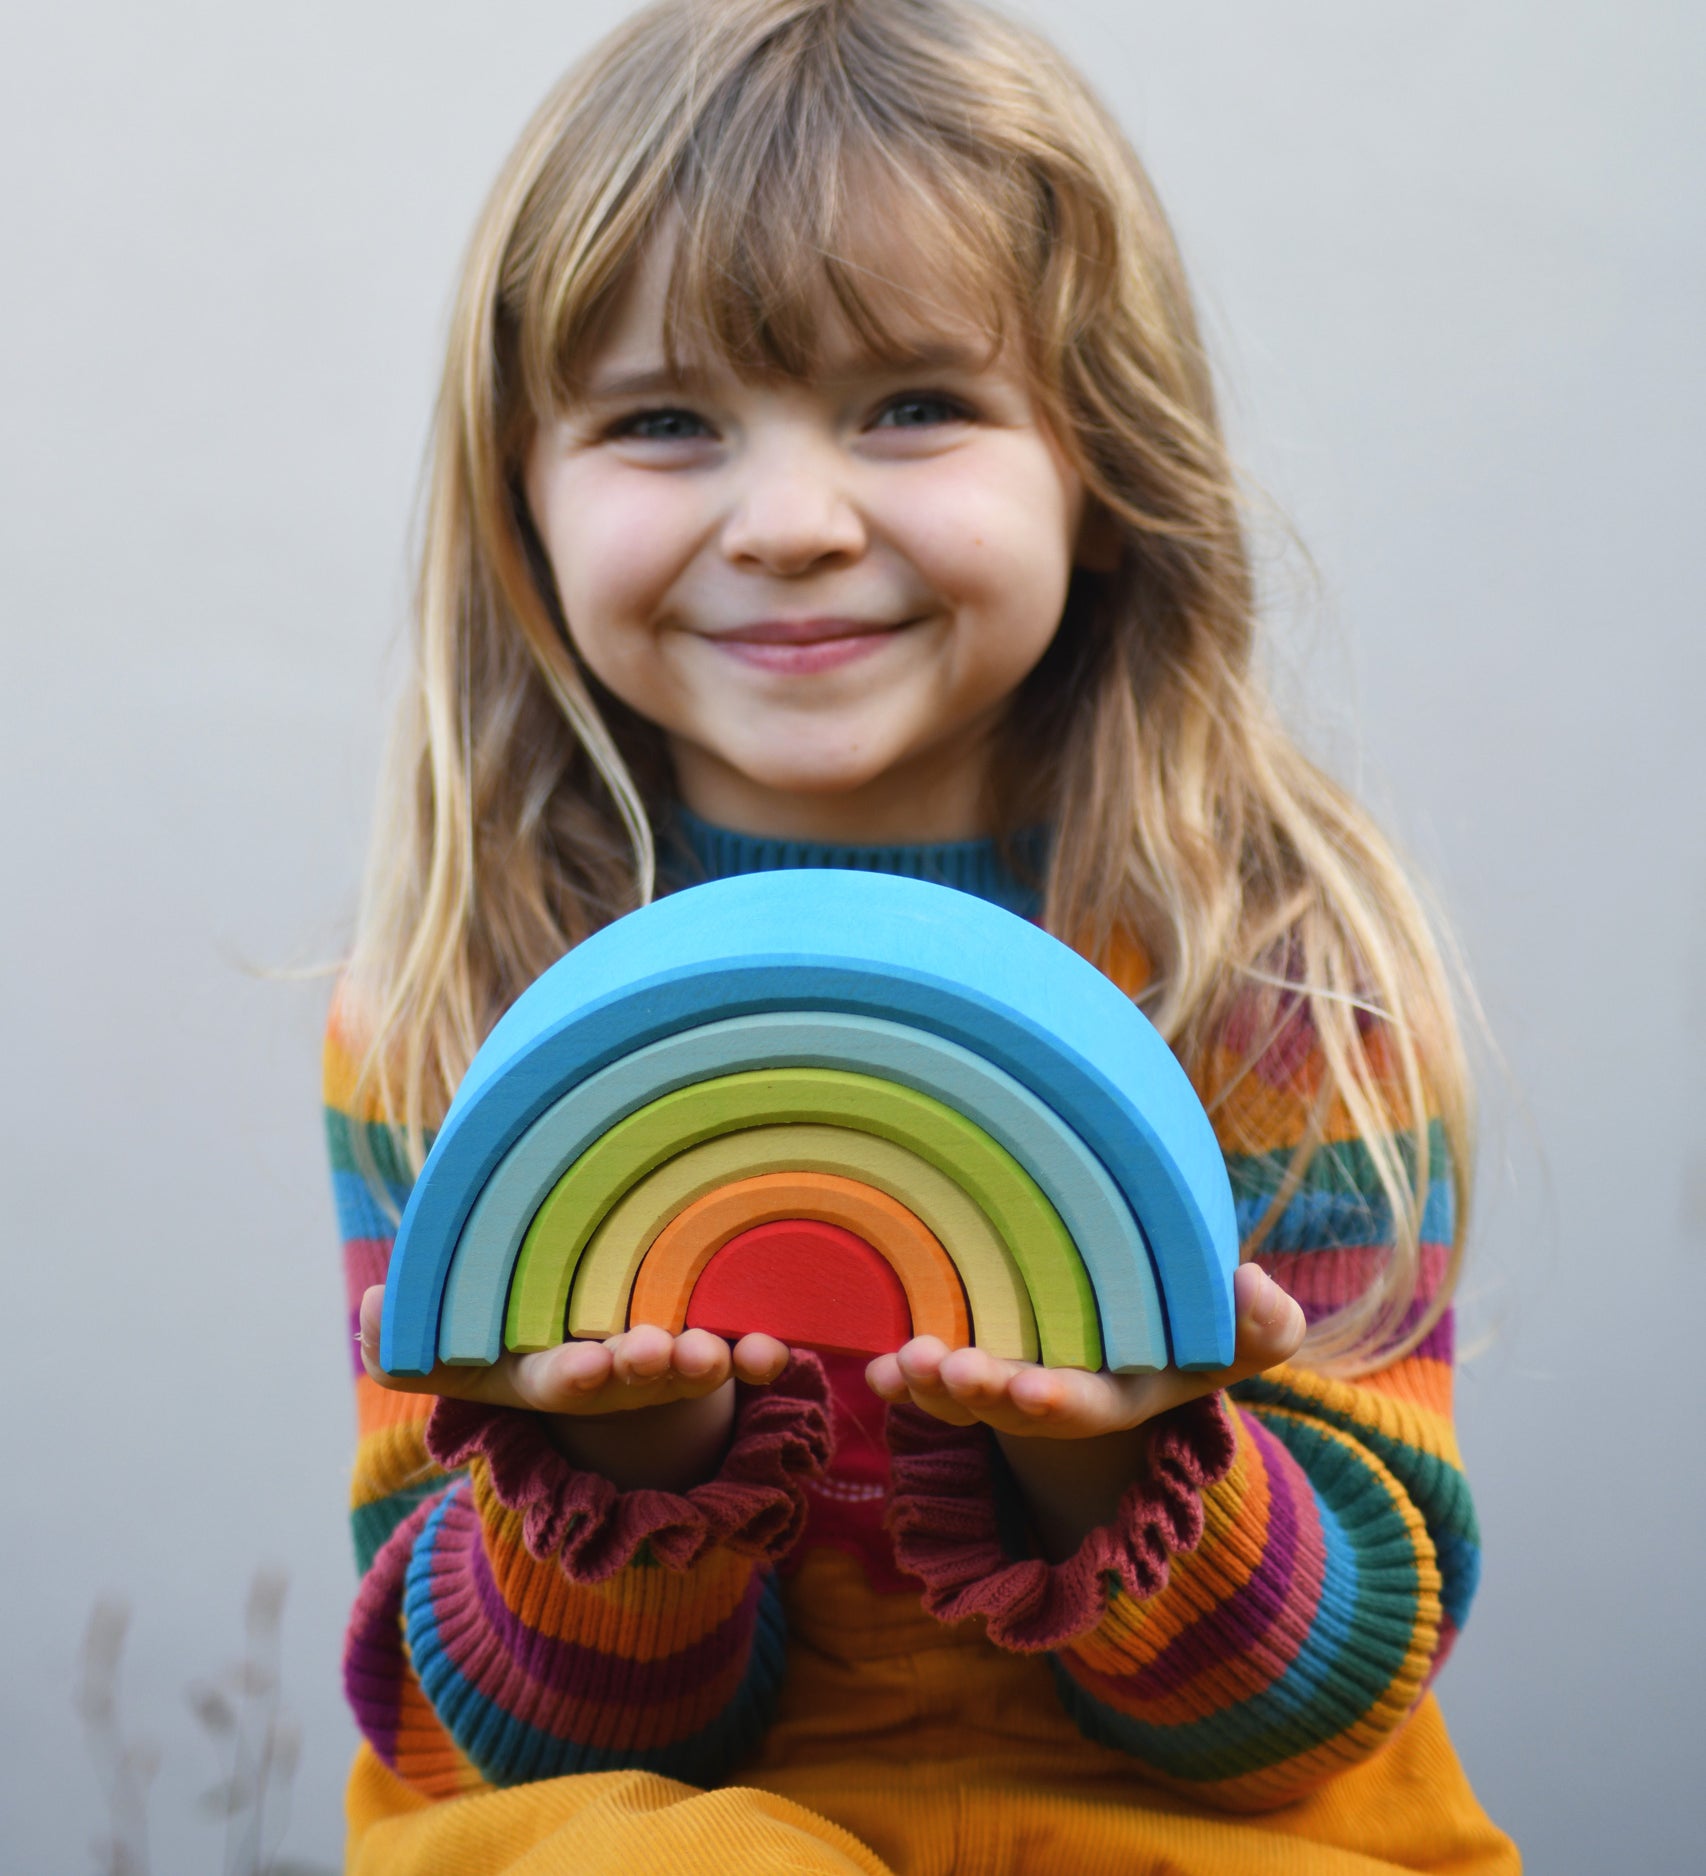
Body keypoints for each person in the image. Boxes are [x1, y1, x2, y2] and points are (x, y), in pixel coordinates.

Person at [328, 1, 1519, 1868]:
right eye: (661, 421)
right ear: (519, 507)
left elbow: (1312, 1717)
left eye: (913, 405)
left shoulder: (1275, 971)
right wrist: (623, 1474)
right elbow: (482, 1744)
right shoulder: (468, 1004)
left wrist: (1111, 1457)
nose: (792, 521)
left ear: (1102, 467)